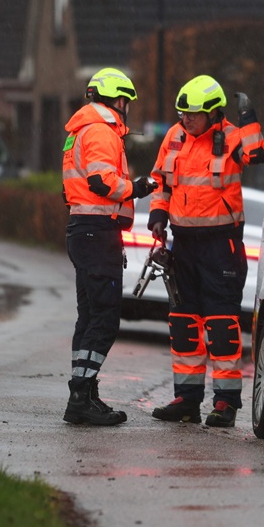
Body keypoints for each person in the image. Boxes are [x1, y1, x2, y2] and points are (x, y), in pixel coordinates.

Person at [148, 75, 264, 427]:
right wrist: (158, 212)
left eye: (193, 114)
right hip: (183, 244)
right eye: (182, 113)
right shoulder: (174, 137)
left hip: (221, 245)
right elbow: (160, 180)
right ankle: (186, 400)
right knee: (184, 325)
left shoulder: (232, 137)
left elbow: (257, 154)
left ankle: (226, 404)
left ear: (214, 114)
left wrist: (248, 121)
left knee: (220, 326)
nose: (186, 119)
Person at [62, 67, 155, 426]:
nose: (127, 108)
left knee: (88, 317)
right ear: (118, 100)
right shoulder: (101, 131)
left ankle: (83, 392)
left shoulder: (78, 132)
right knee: (104, 319)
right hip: (98, 233)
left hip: (82, 229)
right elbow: (102, 182)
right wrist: (139, 187)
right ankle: (81, 396)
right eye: (126, 101)